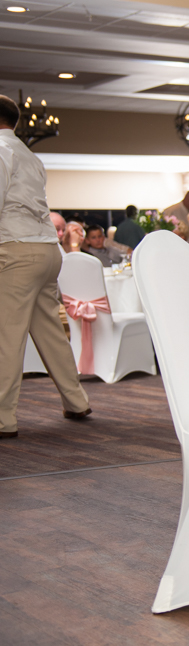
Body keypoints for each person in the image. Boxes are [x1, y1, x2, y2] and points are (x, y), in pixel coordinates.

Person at [0, 94, 91, 439]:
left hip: (15, 249)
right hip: (46, 250)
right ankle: (76, 399)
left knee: (6, 338)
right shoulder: (28, 154)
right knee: (50, 333)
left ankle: (3, 418)